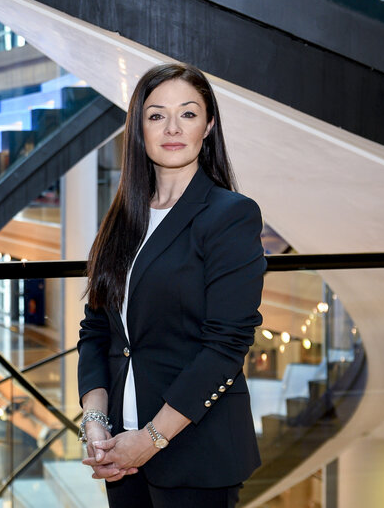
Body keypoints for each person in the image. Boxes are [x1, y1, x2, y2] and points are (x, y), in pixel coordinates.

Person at [77, 63, 266, 508]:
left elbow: (226, 343)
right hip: (121, 452)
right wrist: (96, 421)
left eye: (189, 113)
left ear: (209, 125)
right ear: (139, 129)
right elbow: (97, 331)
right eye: (157, 115)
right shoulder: (123, 217)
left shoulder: (230, 214)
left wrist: (152, 437)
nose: (173, 128)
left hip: (195, 451)